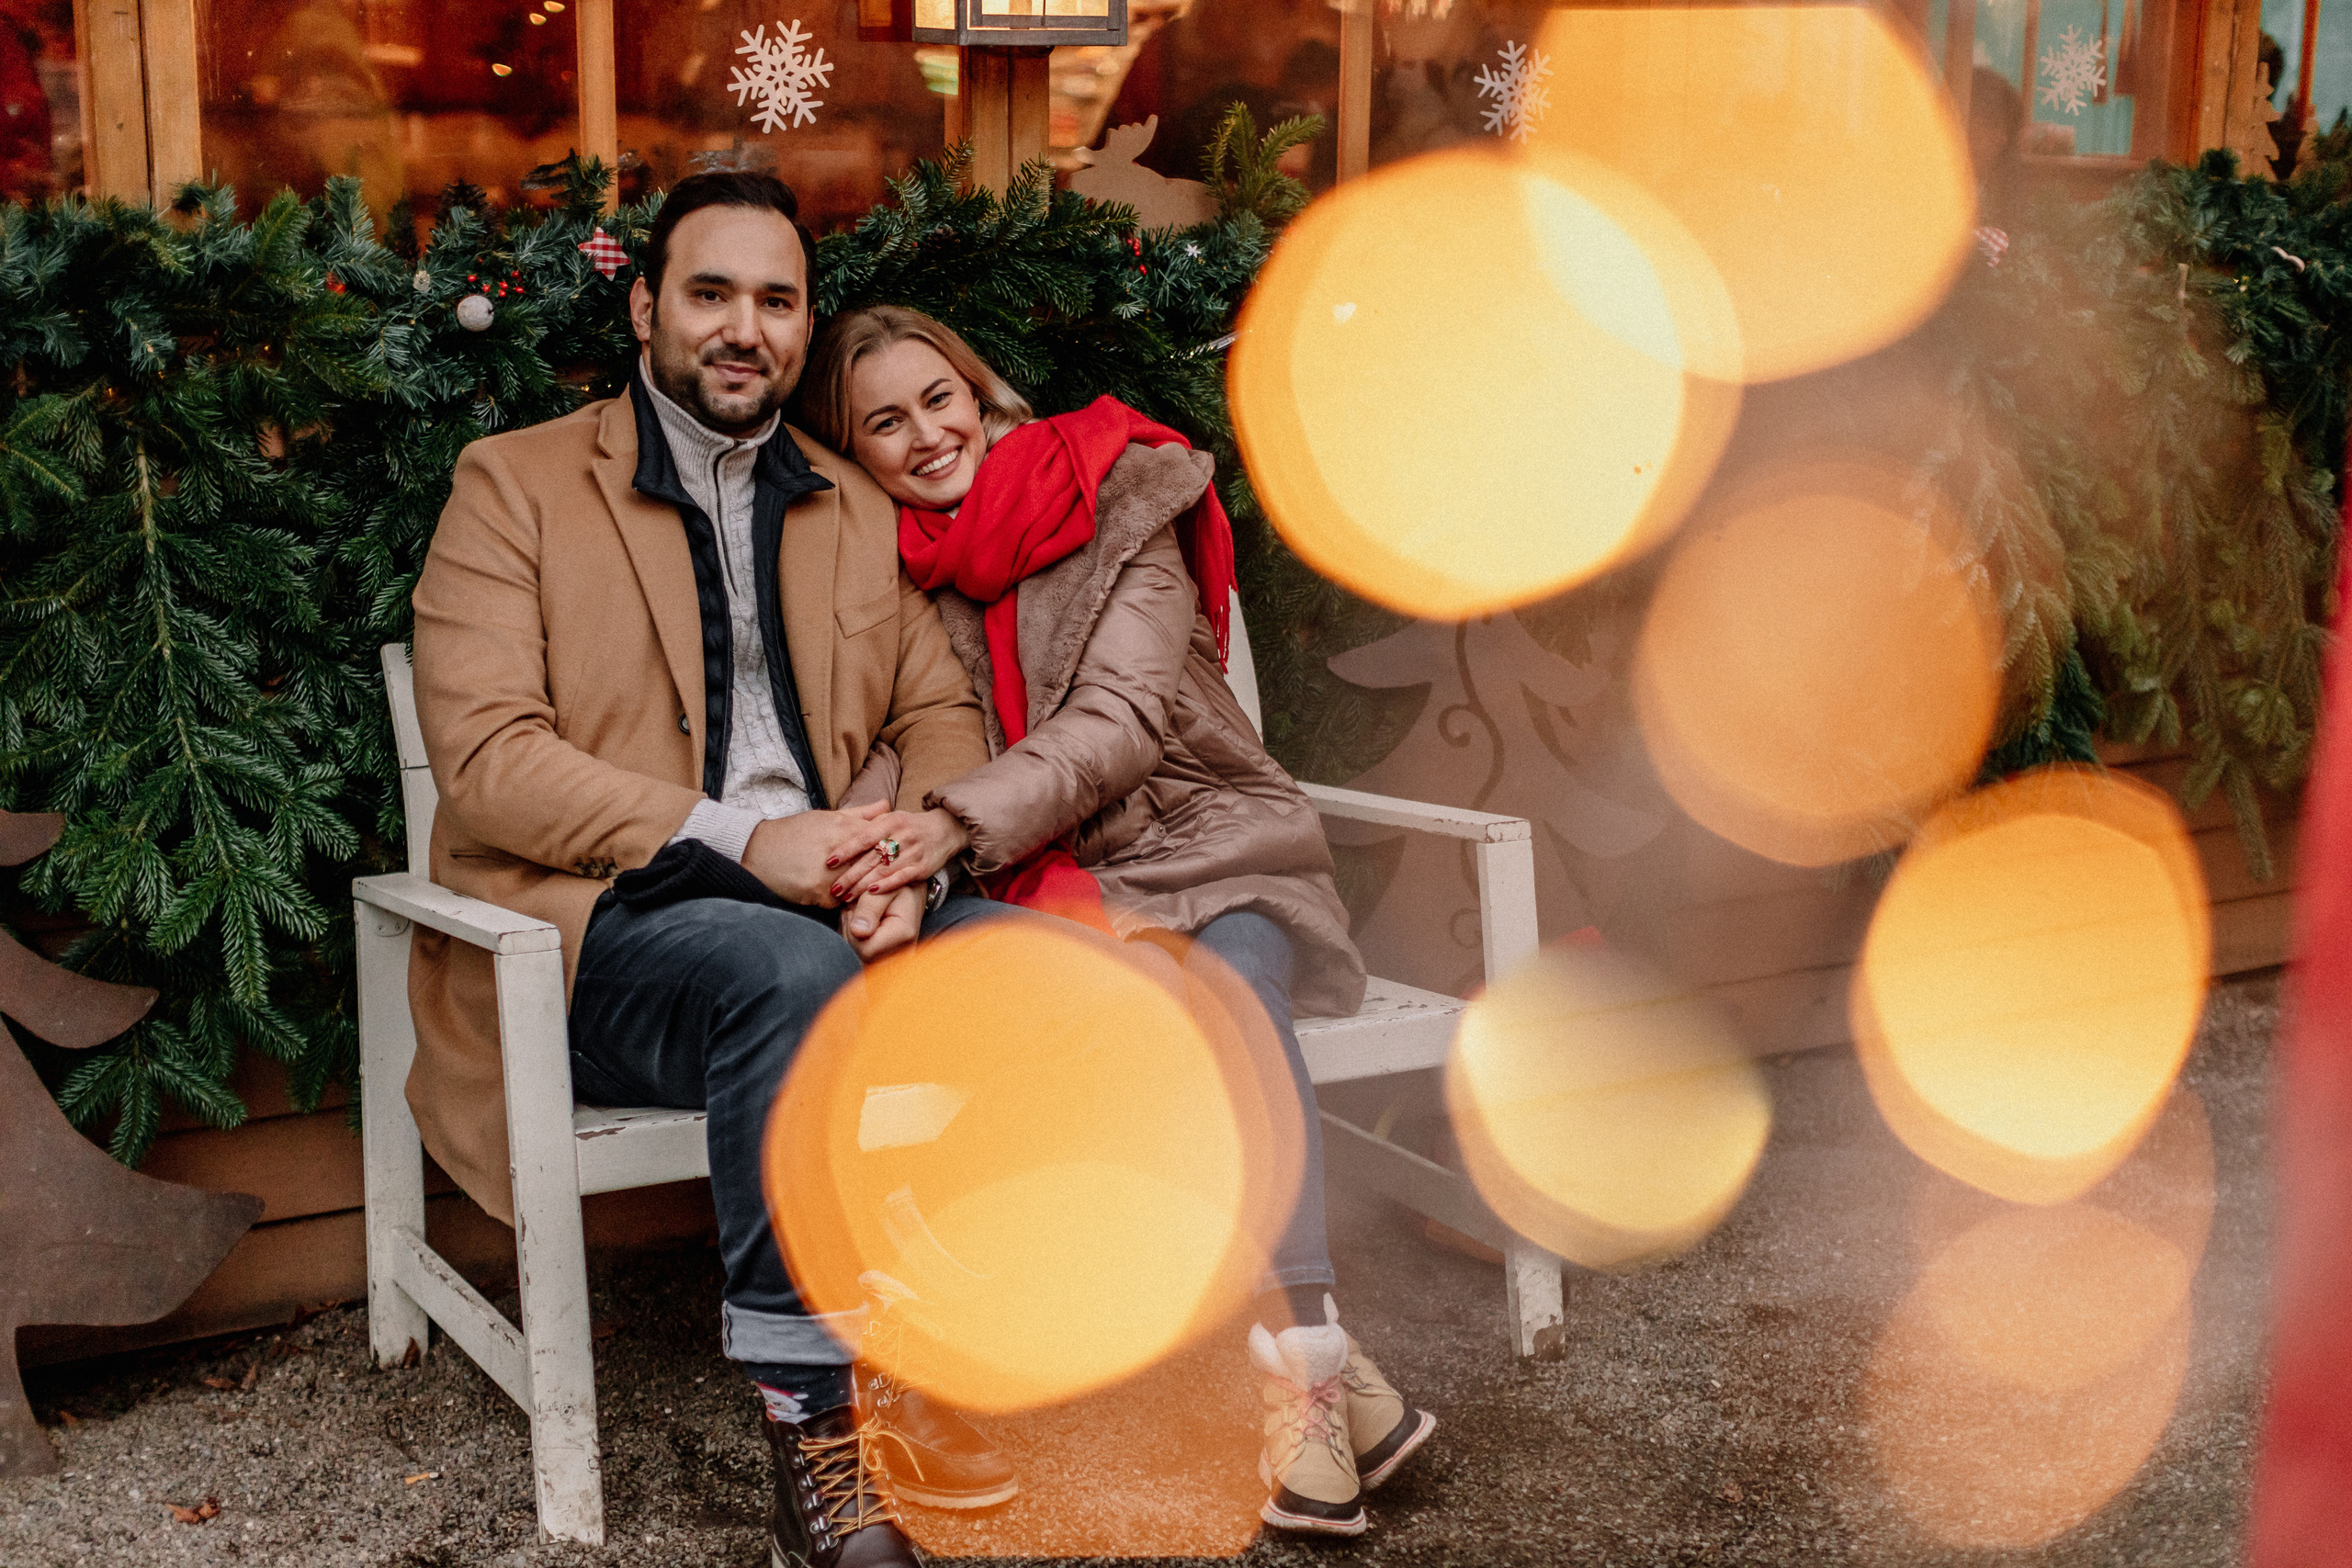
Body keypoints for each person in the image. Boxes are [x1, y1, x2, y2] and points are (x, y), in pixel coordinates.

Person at [409, 172, 1011, 1568]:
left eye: (777, 300)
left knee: (1040, 963)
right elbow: (490, 759)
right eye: (712, 293)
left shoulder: (851, 503)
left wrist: (907, 863)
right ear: (646, 309)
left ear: (804, 325)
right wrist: (747, 840)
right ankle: (816, 1428)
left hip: (841, 898)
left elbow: (940, 712)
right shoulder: (514, 486)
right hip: (604, 930)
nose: (746, 328)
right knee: (784, 971)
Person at [801, 304, 1439, 1538]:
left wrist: (946, 825)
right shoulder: (888, 575)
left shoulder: (1115, 497)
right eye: (884, 422)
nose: (926, 435)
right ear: (856, 452)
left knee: (1227, 985)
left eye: (939, 399)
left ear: (980, 393)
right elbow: (894, 736)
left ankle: (1300, 1371)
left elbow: (1122, 721)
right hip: (1043, 883)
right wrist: (870, 847)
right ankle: (1336, 1381)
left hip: (1207, 849)